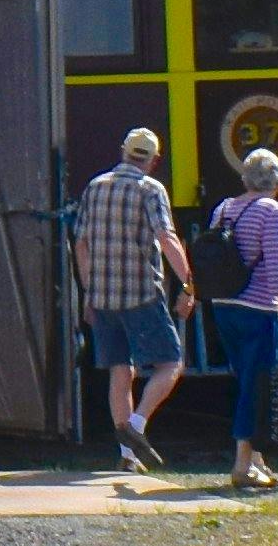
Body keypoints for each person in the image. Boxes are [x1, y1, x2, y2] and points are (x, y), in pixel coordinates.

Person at [73, 126, 196, 473]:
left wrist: (89, 291)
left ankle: (127, 458)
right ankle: (137, 426)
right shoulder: (150, 189)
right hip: (141, 293)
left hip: (103, 297)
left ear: (124, 151)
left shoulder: (95, 187)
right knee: (171, 364)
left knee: (120, 371)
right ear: (154, 160)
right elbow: (166, 237)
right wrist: (188, 285)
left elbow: (80, 243)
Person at [201, 138, 278, 495]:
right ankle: (242, 465)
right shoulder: (271, 212)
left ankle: (256, 460)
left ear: (245, 178)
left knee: (245, 382)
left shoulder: (224, 208)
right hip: (258, 310)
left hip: (224, 308)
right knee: (255, 385)